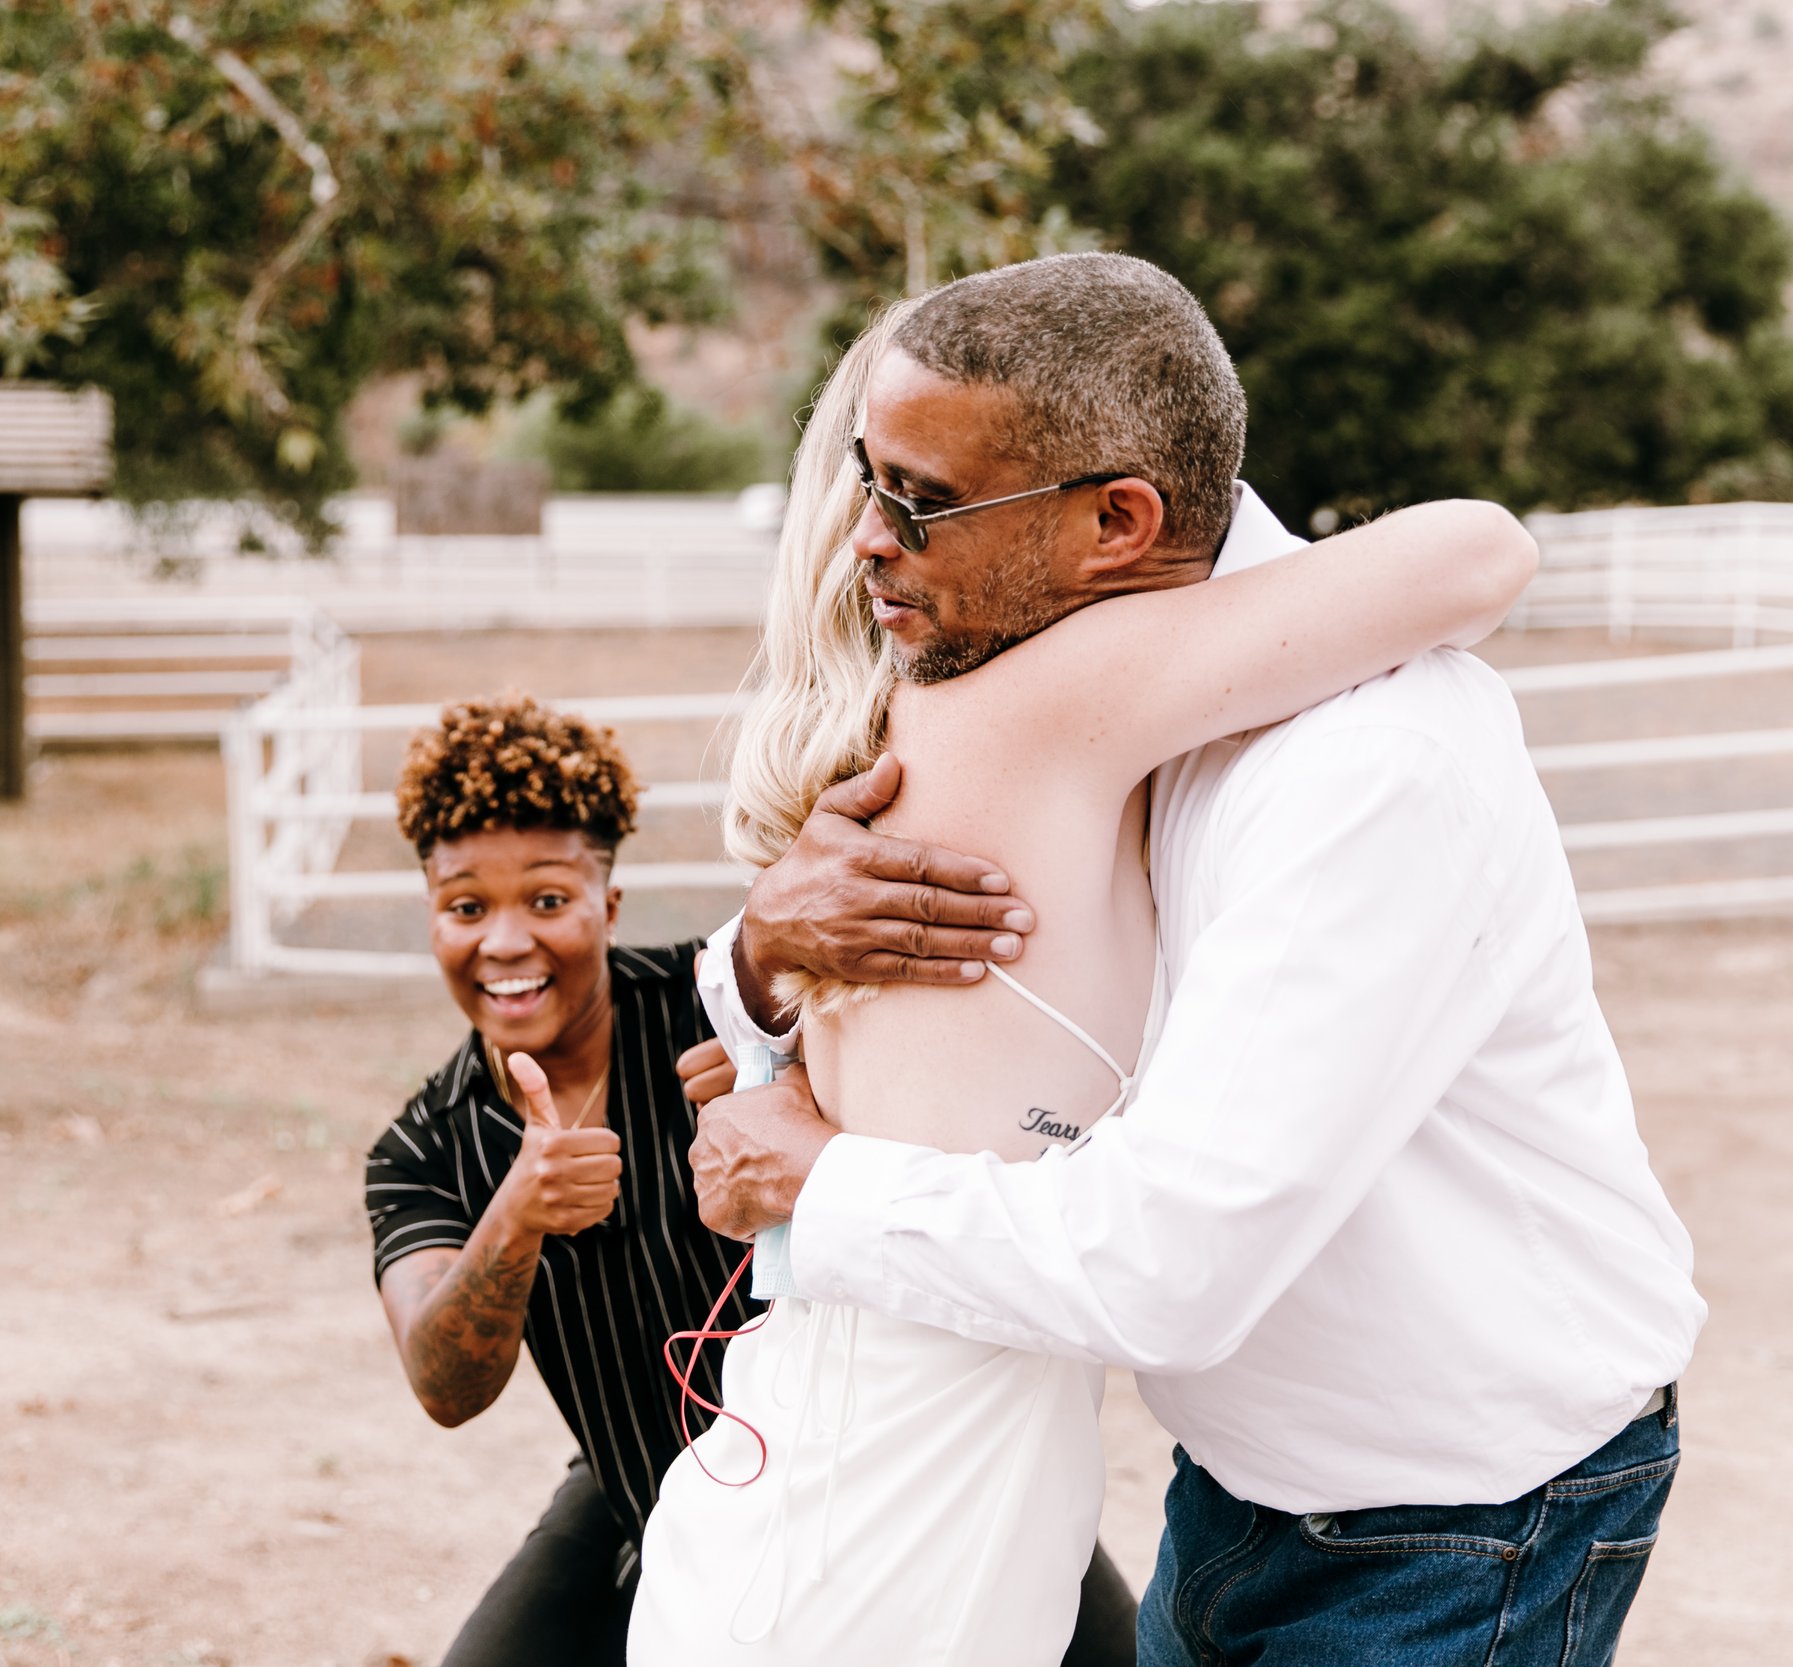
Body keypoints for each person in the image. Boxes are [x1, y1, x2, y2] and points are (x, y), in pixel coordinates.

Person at [684, 252, 1707, 1667]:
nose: (865, 539)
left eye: (918, 503)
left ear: (1118, 518)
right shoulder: (1054, 680)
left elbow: (1173, 1259)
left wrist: (818, 1179)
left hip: (1460, 1504)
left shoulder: (1368, 768)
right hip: (1242, 1475)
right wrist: (756, 957)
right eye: (868, 477)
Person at [362, 693, 1140, 1667]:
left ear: (607, 900)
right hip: (639, 1477)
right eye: (466, 906)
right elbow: (443, 1383)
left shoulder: (720, 1012)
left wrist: (791, 1082)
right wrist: (516, 1215)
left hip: (870, 1451)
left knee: (1093, 1637)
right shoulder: (425, 1146)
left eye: (548, 899)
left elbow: (910, 1123)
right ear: (431, 915)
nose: (506, 941)